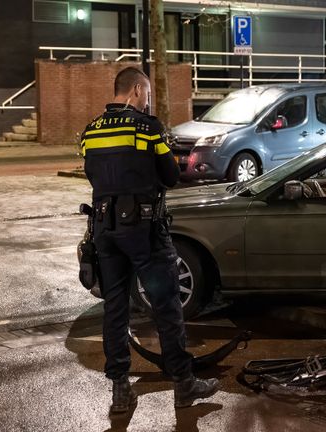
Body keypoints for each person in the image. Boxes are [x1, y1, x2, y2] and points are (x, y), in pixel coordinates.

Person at [80, 67, 218, 414]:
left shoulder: (90, 131)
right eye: (147, 94)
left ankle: (120, 392)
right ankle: (184, 385)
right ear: (138, 91)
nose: (147, 100)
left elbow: (94, 175)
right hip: (143, 231)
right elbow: (171, 176)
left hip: (105, 231)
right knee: (166, 305)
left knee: (115, 308)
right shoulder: (147, 127)